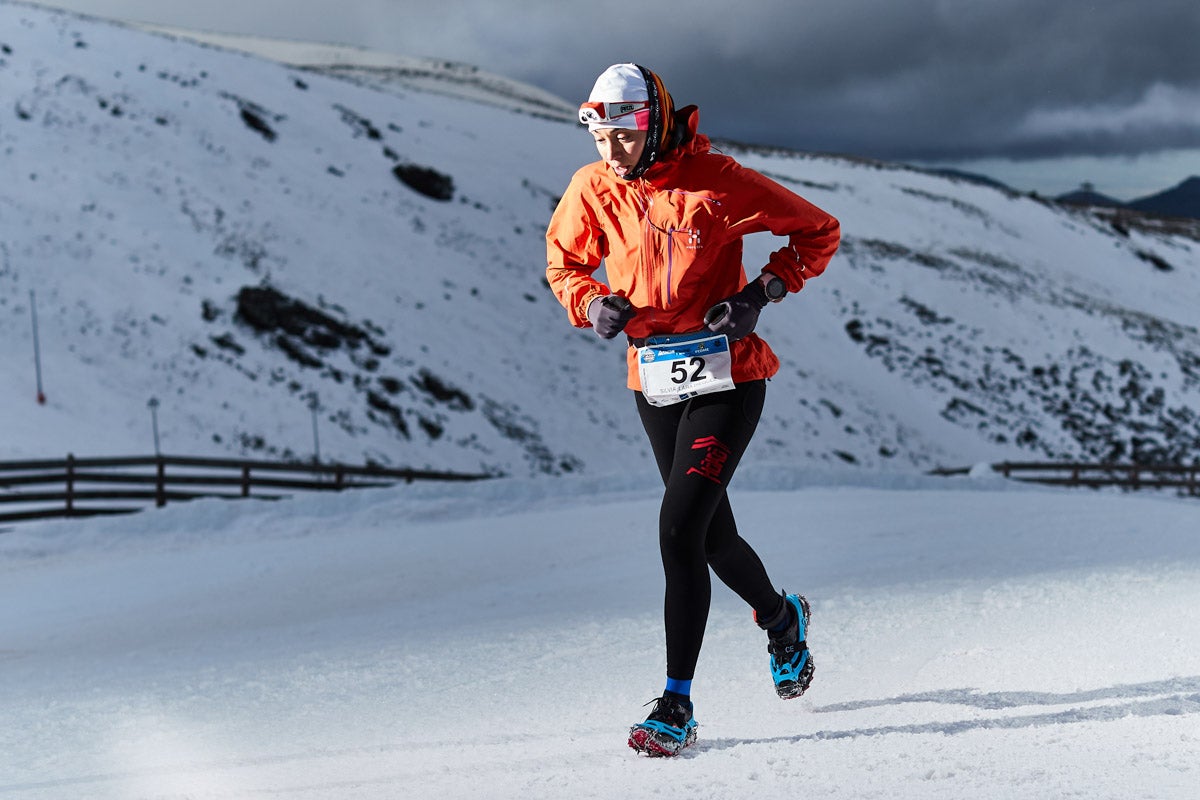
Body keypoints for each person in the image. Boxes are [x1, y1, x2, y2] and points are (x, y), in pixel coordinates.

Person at [545, 63, 840, 757]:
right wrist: (593, 303)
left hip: (728, 380)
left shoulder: (721, 182)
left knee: (679, 531)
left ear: (656, 124)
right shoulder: (594, 189)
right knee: (709, 539)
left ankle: (675, 705)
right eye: (599, 134)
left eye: (624, 135)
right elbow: (564, 266)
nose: (610, 152)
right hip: (653, 382)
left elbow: (818, 232)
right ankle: (781, 617)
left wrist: (761, 292)